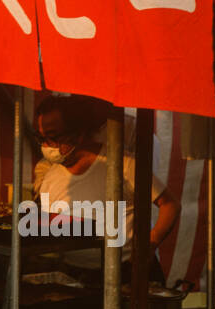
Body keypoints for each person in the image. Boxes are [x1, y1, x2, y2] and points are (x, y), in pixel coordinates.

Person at [32, 93, 180, 275]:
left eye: (53, 137)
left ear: (79, 133)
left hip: (125, 271)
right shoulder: (51, 177)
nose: (47, 146)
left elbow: (170, 204)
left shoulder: (124, 165)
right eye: (42, 138)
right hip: (75, 275)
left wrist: (151, 242)